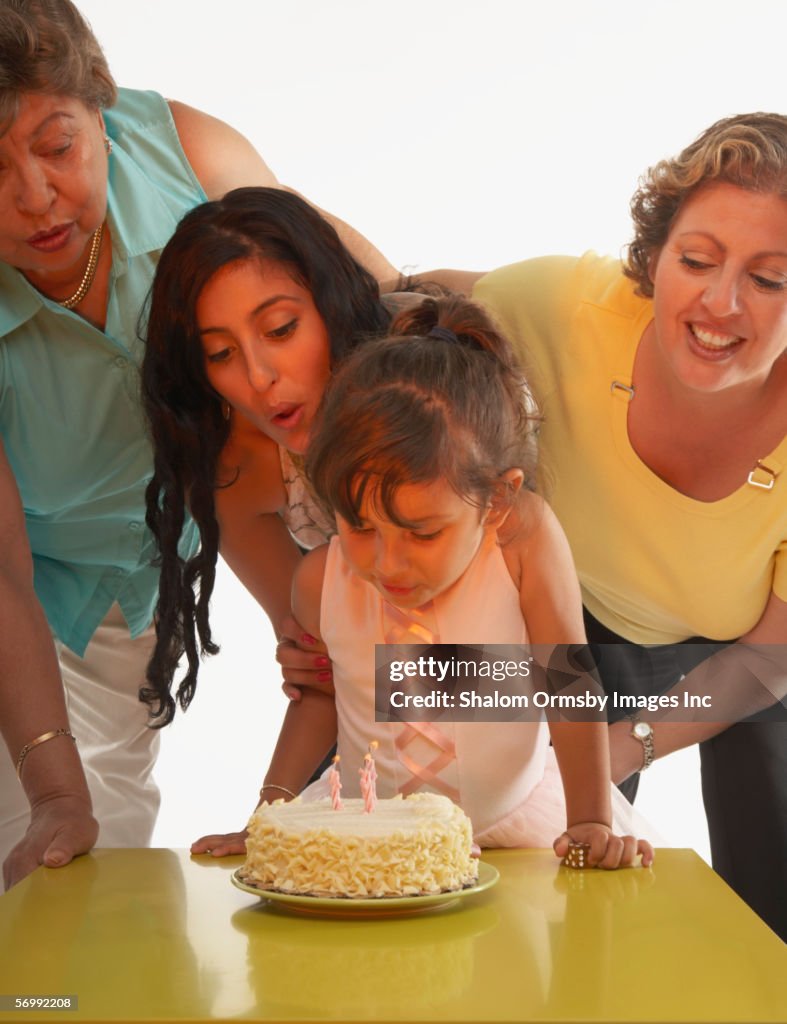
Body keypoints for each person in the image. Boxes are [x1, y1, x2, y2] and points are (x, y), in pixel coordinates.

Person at [0, 0, 396, 888]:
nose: (34, 198)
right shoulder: (248, 483)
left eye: (57, 147)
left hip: (172, 553)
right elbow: (323, 669)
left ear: (99, 106)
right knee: (58, 857)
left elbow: (374, 297)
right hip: (49, 588)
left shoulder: (192, 157)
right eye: (217, 352)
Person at [193, 295, 654, 869]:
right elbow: (318, 700)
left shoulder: (520, 540)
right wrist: (268, 816)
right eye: (360, 527)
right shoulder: (319, 580)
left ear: (498, 498)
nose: (388, 564)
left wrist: (589, 818)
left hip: (521, 827)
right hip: (372, 835)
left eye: (422, 533)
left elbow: (569, 681)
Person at [468, 113, 787, 936]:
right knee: (422, 717)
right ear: (652, 257)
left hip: (760, 655)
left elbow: (769, 659)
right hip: (584, 618)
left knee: (774, 893)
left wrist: (616, 746)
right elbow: (405, 306)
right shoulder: (559, 305)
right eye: (696, 260)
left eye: (771, 278)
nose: (719, 303)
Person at [141, 186, 391, 725]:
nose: (258, 377)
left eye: (280, 329)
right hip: (406, 711)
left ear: (333, 300)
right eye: (221, 353)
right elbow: (328, 671)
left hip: (587, 663)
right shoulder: (238, 474)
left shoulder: (432, 396)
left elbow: (571, 673)